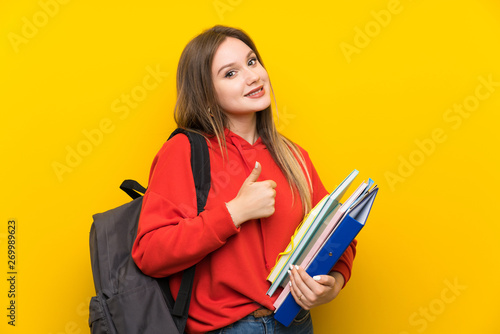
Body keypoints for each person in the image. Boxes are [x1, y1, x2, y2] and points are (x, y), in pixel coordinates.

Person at [131, 25, 356, 334]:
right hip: (228, 329)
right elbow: (150, 253)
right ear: (206, 95)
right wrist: (234, 213)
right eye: (230, 73)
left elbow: (337, 234)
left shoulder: (293, 155)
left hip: (296, 322)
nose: (252, 76)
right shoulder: (184, 151)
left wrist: (334, 284)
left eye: (252, 62)